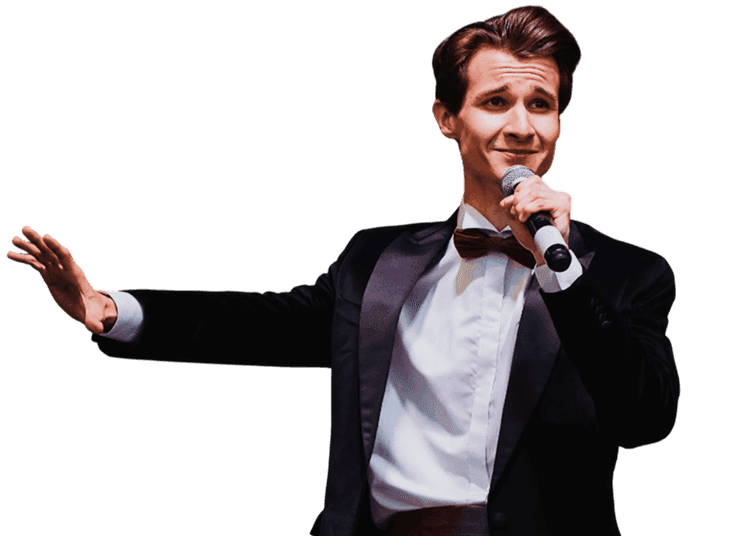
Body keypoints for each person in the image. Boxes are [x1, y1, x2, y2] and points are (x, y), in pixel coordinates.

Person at [6, 5, 679, 536]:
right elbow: (263, 325)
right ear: (447, 118)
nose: (523, 126)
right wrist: (111, 310)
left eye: (542, 104)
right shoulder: (377, 260)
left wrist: (561, 272)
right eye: (495, 101)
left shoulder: (628, 273)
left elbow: (646, 417)